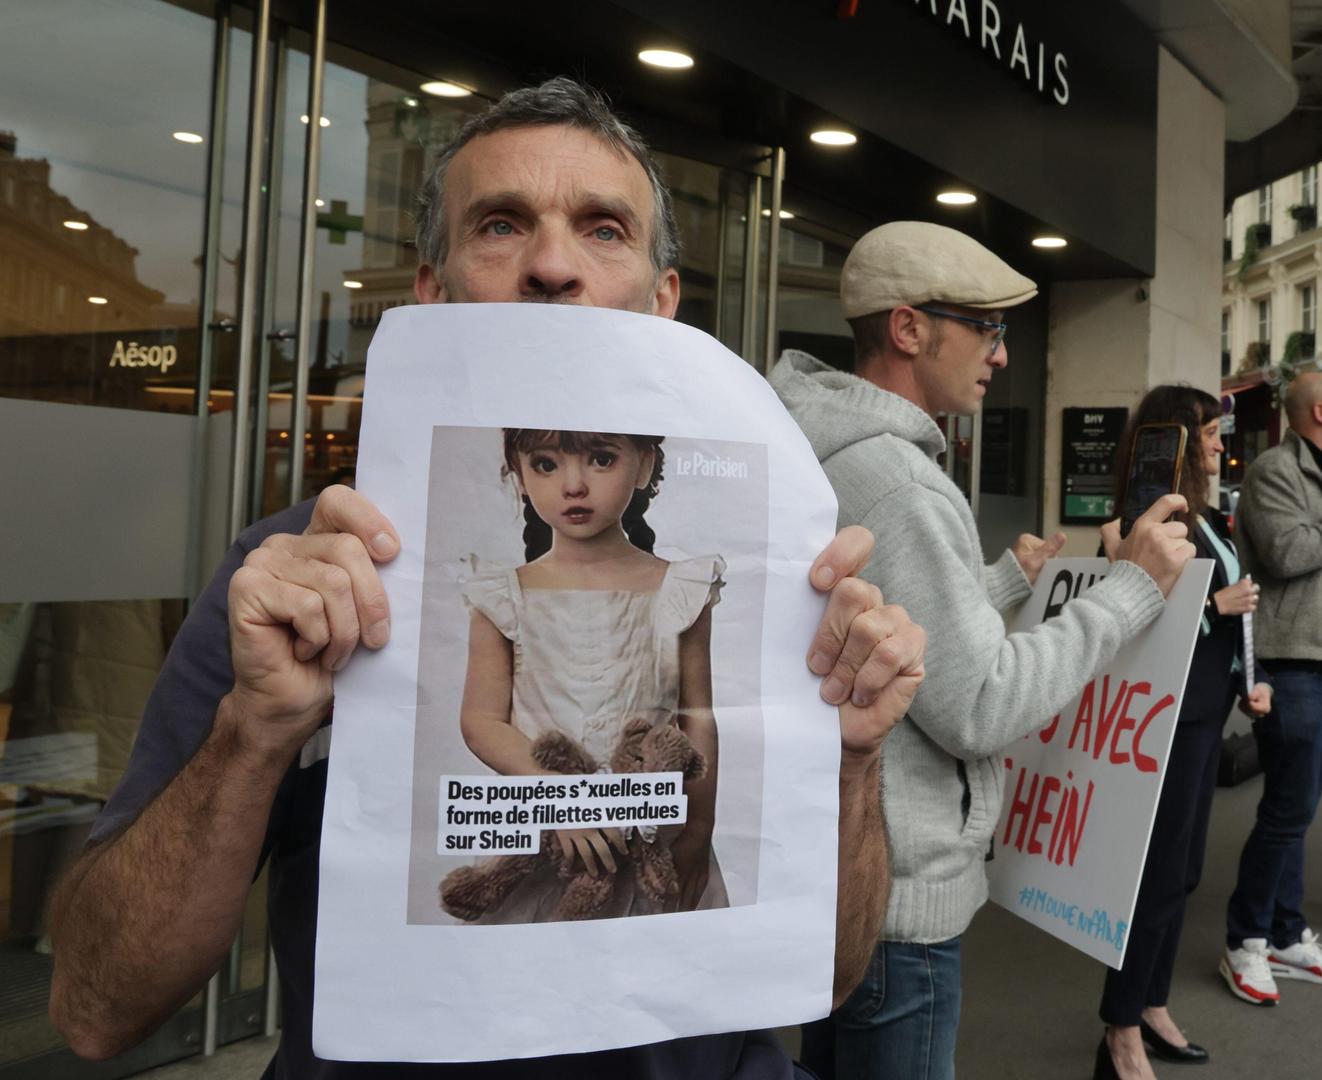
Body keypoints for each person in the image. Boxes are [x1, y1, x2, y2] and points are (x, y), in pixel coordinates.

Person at [47, 77, 931, 1079]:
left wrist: (852, 759)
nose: (554, 266)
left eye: (604, 230)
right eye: (502, 225)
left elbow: (833, 972)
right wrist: (252, 735)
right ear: (432, 291)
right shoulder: (295, 581)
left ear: (663, 301)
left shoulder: (769, 570)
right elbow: (93, 1006)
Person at [769, 221, 1193, 1080]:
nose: (1000, 354)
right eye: (987, 327)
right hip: (899, 899)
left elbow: (897, 631)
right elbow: (980, 706)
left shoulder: (837, 448)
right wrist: (1134, 589)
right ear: (909, 328)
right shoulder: (899, 479)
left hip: (853, 873)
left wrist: (992, 582)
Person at [440, 429, 727, 922]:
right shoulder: (502, 593)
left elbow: (696, 715)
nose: (573, 485)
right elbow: (481, 721)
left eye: (600, 459)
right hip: (545, 843)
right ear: (519, 471)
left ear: (643, 465)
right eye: (547, 464)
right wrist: (559, 796)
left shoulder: (681, 588)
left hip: (654, 844)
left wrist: (699, 830)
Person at [1093, 387, 1273, 1080]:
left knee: (1185, 871)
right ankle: (1121, 1026)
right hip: (1161, 721)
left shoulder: (1204, 517)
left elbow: (1233, 615)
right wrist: (1213, 608)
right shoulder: (1146, 519)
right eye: (1206, 432)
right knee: (1158, 876)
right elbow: (1128, 619)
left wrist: (1247, 679)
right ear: (1172, 436)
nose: (1218, 443)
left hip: (1203, 711)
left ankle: (1151, 1004)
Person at [1219, 371, 1322, 1007]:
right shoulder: (1276, 471)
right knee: (1285, 813)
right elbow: (1285, 554)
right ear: (1317, 412)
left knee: (1298, 811)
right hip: (1287, 664)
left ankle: (1284, 933)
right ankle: (1245, 941)